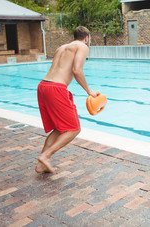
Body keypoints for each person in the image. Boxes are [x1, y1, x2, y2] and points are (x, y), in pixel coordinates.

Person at [36, 26, 97, 173]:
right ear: (86, 38)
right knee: (74, 129)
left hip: (43, 86)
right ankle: (46, 156)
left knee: (59, 128)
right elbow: (77, 70)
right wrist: (89, 90)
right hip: (56, 89)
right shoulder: (82, 46)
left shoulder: (61, 47)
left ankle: (41, 165)